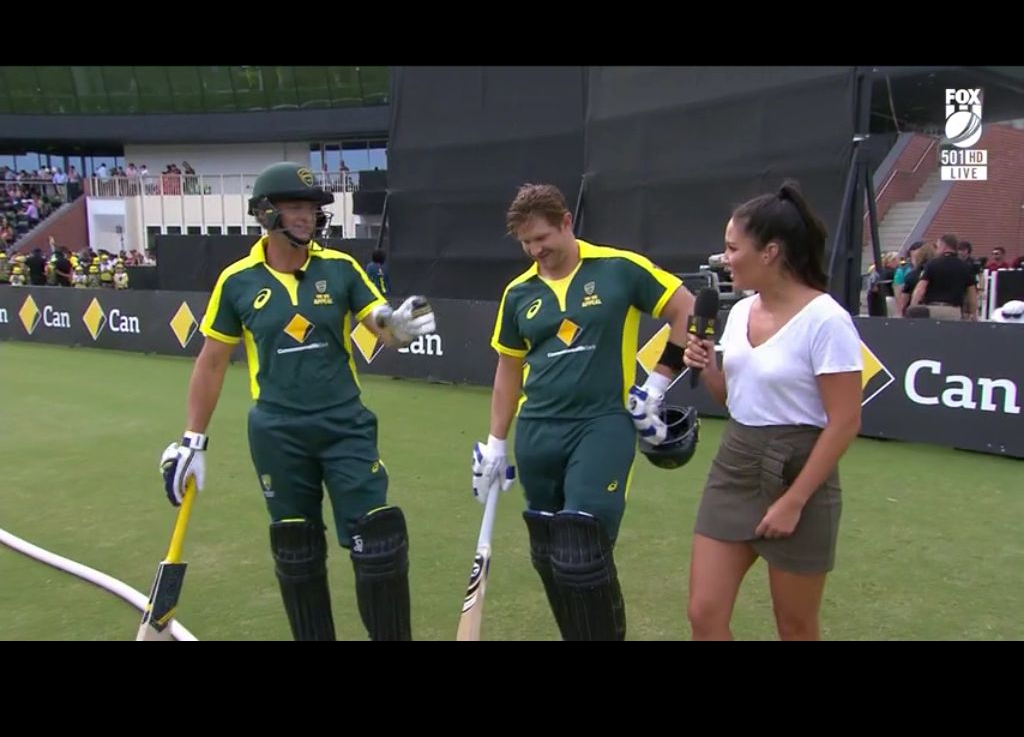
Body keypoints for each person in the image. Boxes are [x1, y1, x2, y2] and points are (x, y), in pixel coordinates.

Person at [158, 162, 436, 641]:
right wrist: (192, 440)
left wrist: (398, 328)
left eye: (311, 208)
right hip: (277, 431)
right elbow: (212, 362)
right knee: (296, 548)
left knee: (379, 539)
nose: (307, 217)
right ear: (265, 213)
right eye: (295, 207)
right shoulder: (237, 281)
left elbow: (381, 322)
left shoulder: (340, 268)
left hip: (344, 423)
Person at [472, 182, 696, 640]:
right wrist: (496, 443)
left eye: (542, 238)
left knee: (582, 549)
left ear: (566, 222)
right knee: (549, 555)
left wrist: (656, 384)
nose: (536, 250)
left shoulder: (618, 268)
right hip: (537, 433)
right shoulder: (519, 293)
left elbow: (685, 308)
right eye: (526, 243)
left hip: (602, 424)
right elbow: (508, 371)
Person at [683, 180, 862, 641]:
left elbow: (845, 421)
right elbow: (735, 401)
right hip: (736, 463)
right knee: (704, 613)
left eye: (732, 248)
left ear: (770, 252)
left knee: (795, 626)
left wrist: (794, 501)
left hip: (800, 471)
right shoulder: (740, 313)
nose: (723, 258)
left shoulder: (827, 320)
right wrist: (708, 368)